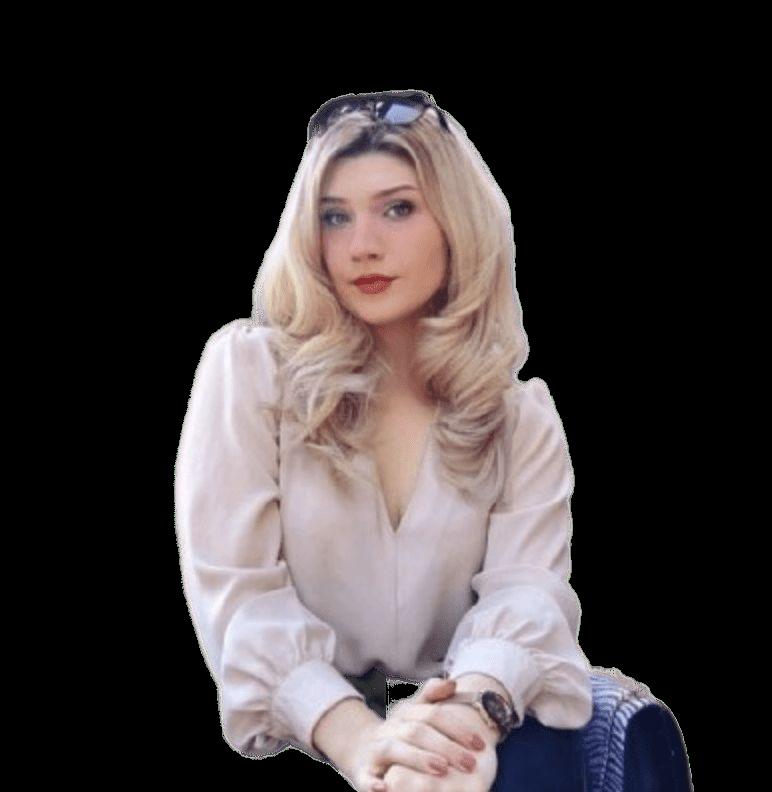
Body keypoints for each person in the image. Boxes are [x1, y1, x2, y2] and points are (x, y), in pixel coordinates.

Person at [174, 91, 595, 791]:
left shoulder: (518, 418)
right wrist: (362, 742)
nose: (361, 245)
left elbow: (527, 598)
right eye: (334, 216)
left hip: (456, 755)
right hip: (298, 751)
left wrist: (461, 727)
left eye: (397, 209)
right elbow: (239, 603)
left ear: (457, 225)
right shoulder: (249, 373)